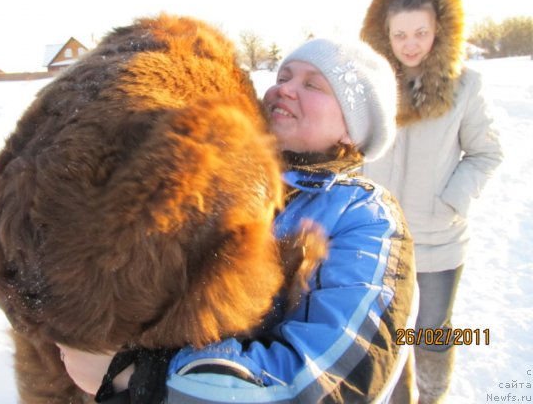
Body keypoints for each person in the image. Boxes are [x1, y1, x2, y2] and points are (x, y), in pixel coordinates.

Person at [60, 37, 418, 403]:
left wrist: (140, 379)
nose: (284, 90)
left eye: (312, 85)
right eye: (284, 77)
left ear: (351, 128)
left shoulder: (364, 214)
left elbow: (330, 380)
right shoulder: (218, 178)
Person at [360, 0, 504, 404]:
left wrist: (452, 200)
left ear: (439, 29)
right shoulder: (371, 87)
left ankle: (433, 396)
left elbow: (487, 153)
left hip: (441, 237)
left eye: (420, 32)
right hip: (381, 241)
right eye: (400, 34)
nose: (410, 44)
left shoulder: (465, 87)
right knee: (390, 332)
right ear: (384, 34)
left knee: (433, 330)